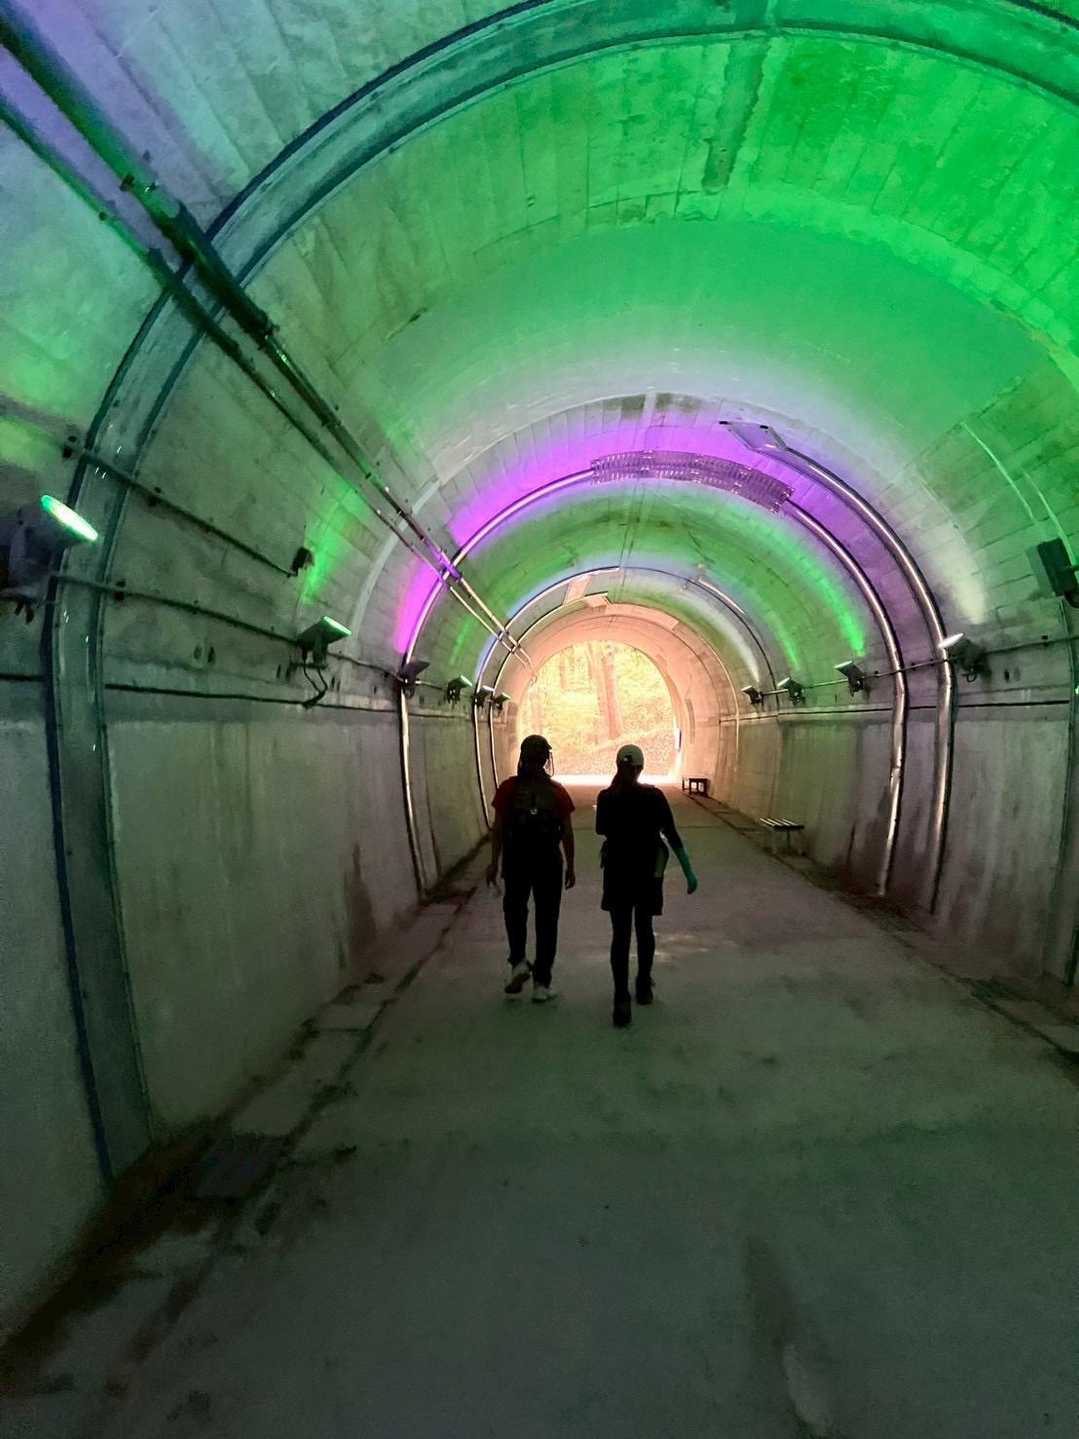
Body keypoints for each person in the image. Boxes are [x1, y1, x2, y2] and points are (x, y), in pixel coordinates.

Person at [596, 744, 698, 1028]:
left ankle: (621, 998)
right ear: (640, 768)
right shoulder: (654, 796)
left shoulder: (606, 797)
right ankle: (643, 985)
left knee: (620, 935)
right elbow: (671, 834)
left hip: (617, 872)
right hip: (647, 873)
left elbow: (601, 829)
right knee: (644, 929)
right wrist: (688, 871)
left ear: (617, 766)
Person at [486, 734, 576, 1002]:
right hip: (548, 862)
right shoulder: (557, 792)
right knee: (547, 919)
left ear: (522, 757)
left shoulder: (508, 789)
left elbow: (498, 829)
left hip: (516, 860)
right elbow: (567, 833)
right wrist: (570, 865)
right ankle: (542, 984)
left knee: (515, 911)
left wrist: (494, 862)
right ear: (546, 759)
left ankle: (518, 962)